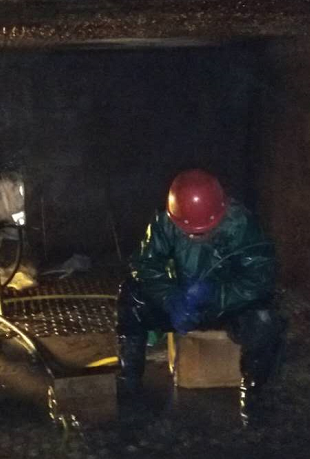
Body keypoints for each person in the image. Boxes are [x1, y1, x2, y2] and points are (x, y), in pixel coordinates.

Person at [117, 169, 286, 424]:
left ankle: (255, 394)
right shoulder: (164, 221)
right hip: (181, 302)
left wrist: (216, 295)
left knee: (265, 321)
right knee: (132, 298)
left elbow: (260, 277)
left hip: (227, 307)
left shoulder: (241, 225)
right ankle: (129, 387)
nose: (195, 236)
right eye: (188, 230)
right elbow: (144, 265)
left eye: (204, 230)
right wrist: (170, 298)